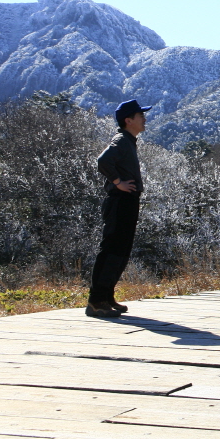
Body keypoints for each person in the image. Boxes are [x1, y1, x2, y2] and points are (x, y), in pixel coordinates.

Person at [87, 99, 151, 318]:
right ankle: (96, 301)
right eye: (140, 115)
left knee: (121, 251)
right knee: (112, 249)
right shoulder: (122, 140)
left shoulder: (128, 140)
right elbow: (103, 161)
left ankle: (106, 296)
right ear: (128, 120)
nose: (144, 118)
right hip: (119, 201)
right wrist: (117, 182)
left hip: (127, 201)